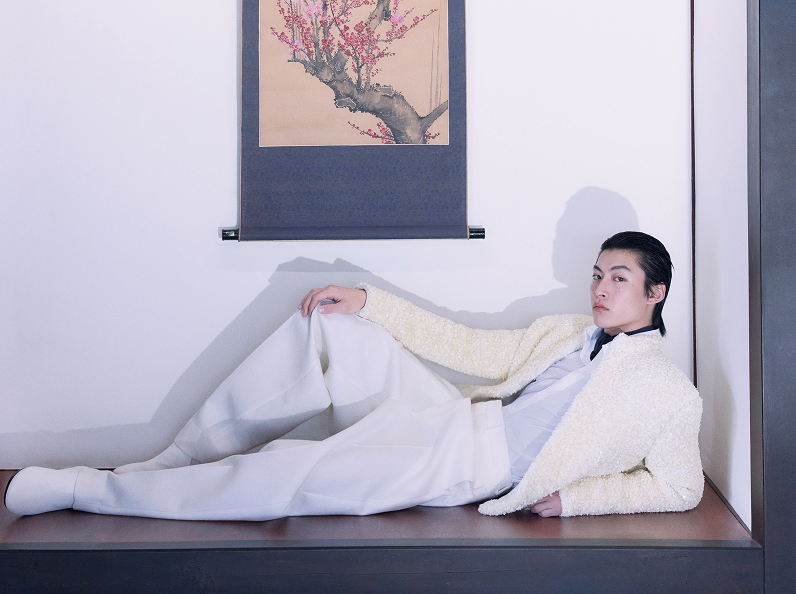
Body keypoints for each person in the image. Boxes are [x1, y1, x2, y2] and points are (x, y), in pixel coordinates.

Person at [4, 231, 703, 520]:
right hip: (451, 414)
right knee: (333, 324)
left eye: (618, 278)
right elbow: (470, 347)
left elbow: (680, 488)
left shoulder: (670, 394)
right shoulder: (567, 333)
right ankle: (180, 455)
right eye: (597, 274)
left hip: (468, 466)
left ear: (656, 292)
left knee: (289, 471)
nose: (600, 288)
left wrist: (574, 501)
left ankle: (88, 490)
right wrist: (371, 302)